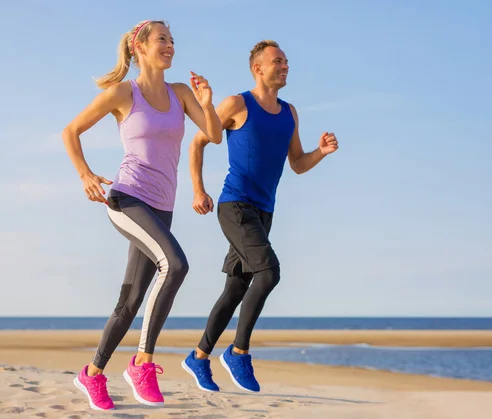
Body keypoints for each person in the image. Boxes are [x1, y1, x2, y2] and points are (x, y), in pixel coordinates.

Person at [61, 20, 222, 410]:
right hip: (127, 199)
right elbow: (71, 131)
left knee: (130, 300)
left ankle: (93, 374)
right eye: (162, 39)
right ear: (140, 48)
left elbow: (215, 135)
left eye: (172, 40)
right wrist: (84, 174)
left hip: (162, 208)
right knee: (176, 264)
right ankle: (142, 362)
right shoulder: (122, 93)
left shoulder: (179, 93)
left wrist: (205, 101)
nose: (170, 45)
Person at [181, 40, 339, 393]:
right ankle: (238, 352)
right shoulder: (238, 104)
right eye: (277, 61)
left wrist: (321, 153)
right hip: (234, 205)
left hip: (264, 212)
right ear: (258, 68)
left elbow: (297, 164)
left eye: (286, 61)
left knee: (236, 288)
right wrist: (197, 190)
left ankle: (198, 356)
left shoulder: (290, 113)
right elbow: (198, 142)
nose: (284, 66)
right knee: (268, 272)